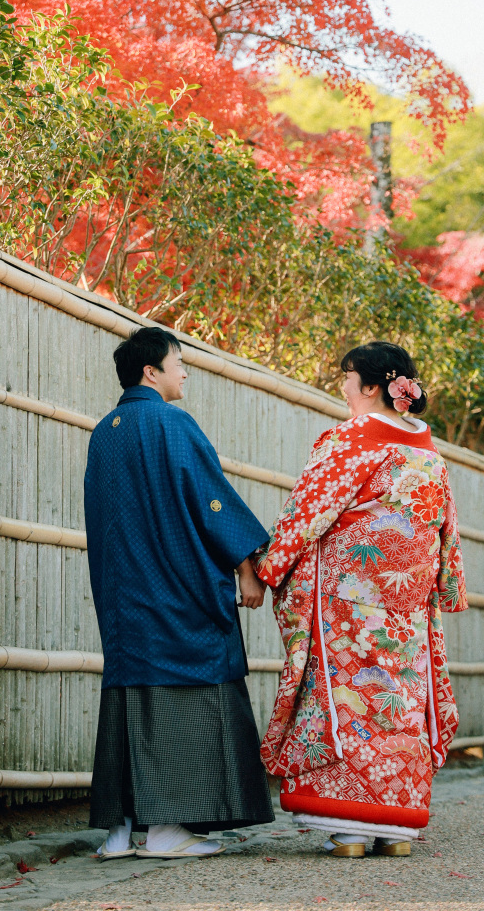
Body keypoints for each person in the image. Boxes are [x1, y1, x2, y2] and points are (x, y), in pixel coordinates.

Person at [254, 341, 468, 859]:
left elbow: (309, 510)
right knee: (401, 701)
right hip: (407, 600)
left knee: (347, 697)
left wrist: (270, 567)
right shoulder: (427, 449)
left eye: (347, 378)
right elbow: (444, 528)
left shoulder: (352, 439)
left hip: (349, 598)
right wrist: (447, 587)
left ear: (371, 387)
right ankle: (397, 829)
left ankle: (350, 825)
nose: (344, 388)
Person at [84, 325, 275, 860]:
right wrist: (246, 566)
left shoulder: (105, 431)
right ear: (152, 371)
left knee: (127, 694)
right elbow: (210, 500)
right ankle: (167, 830)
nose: (186, 371)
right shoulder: (171, 423)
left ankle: (118, 832)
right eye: (179, 361)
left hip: (124, 595)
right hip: (174, 591)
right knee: (188, 682)